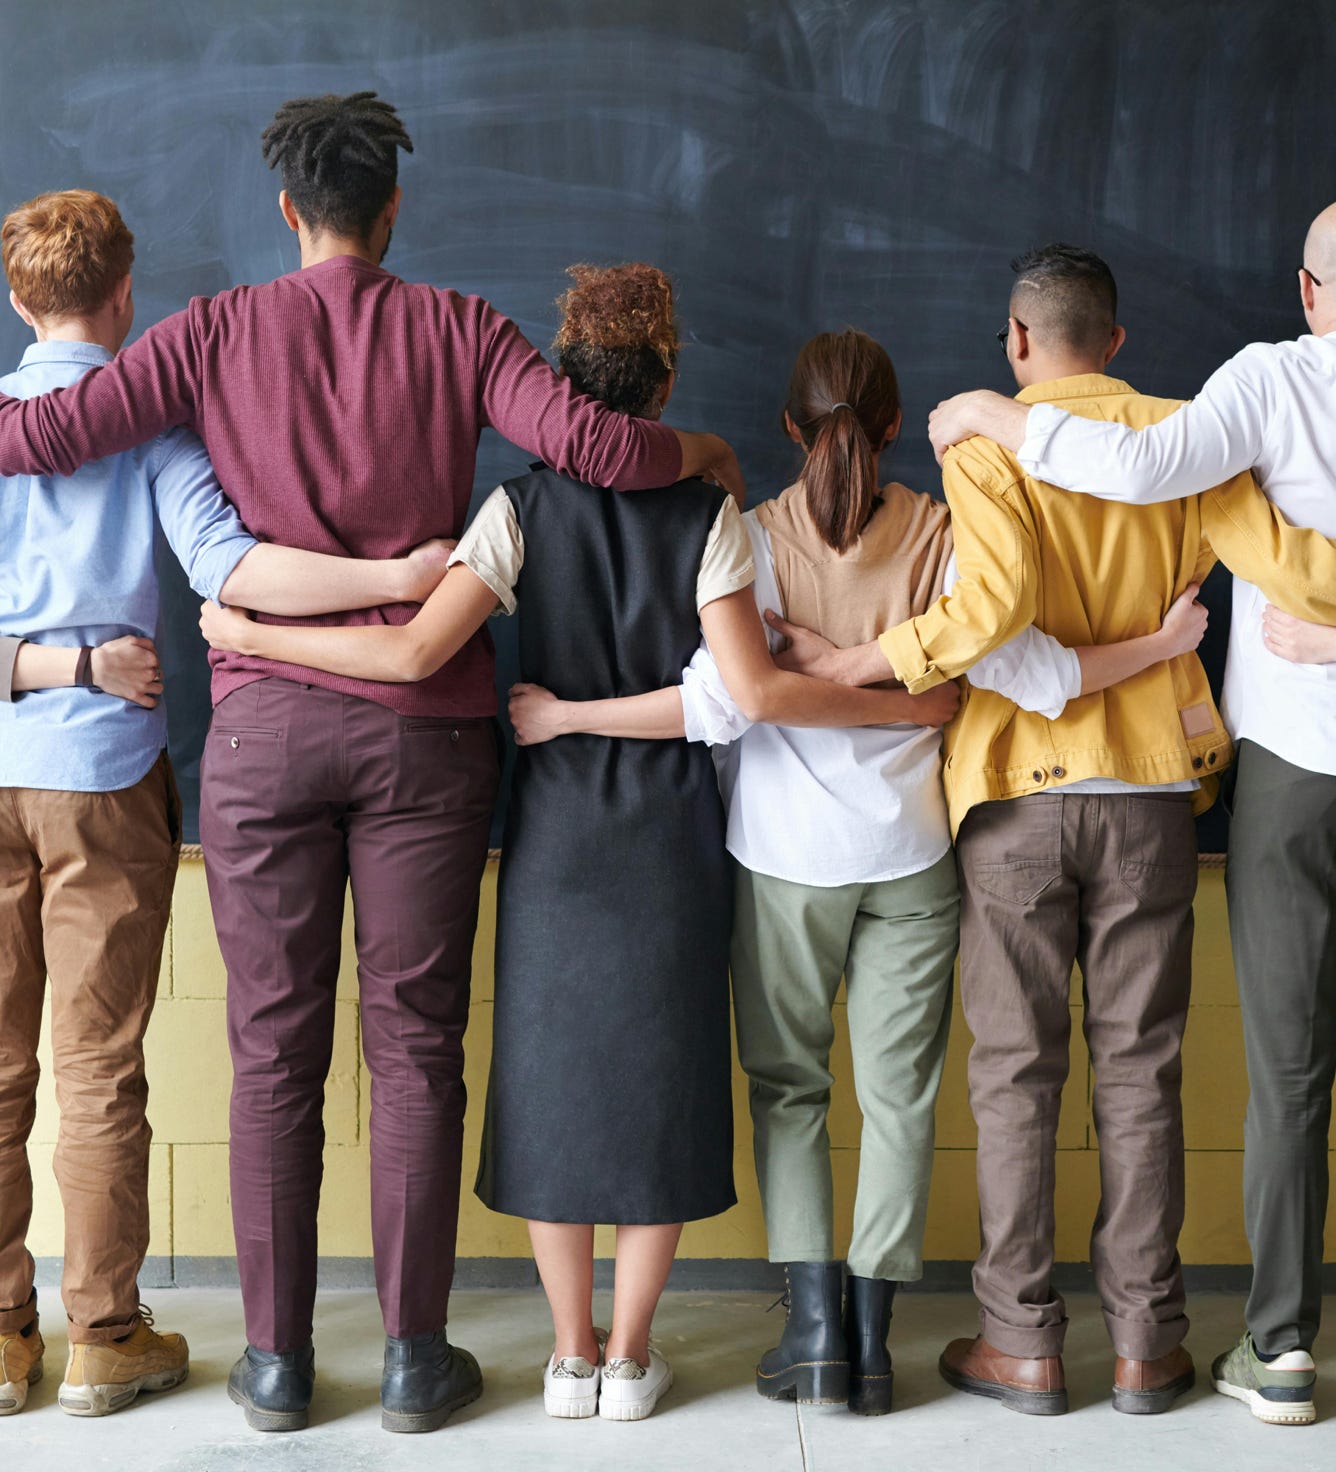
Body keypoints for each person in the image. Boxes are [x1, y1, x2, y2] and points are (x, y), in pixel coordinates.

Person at [0, 93, 747, 1437]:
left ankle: (277, 1368)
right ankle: (414, 1359)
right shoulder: (462, 328)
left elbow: (53, 433)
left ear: (288, 210)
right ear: (391, 211)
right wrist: (698, 451)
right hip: (427, 740)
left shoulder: (212, 331)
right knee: (415, 1049)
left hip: (262, 736)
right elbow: (595, 447)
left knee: (271, 1052)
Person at [198, 265, 958, 1423]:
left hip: (553, 831)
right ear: (663, 381)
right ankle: (630, 1352)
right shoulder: (707, 511)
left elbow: (409, 657)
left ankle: (566, 1353)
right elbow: (742, 688)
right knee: (659, 1080)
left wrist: (251, 630)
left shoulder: (514, 510)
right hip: (668, 829)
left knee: (552, 1081)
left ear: (559, 385)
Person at [771, 243, 1336, 1419]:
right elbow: (1278, 559)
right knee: (1141, 1074)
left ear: (1017, 341)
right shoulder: (1184, 435)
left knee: (1013, 1075)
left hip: (1017, 797)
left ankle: (1021, 1343)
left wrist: (857, 661)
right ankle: (1147, 1345)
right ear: (1118, 342)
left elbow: (983, 616)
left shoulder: (983, 446)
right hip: (1148, 794)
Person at [506, 326, 1213, 1417]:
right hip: (912, 853)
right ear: (894, 427)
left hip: (782, 860)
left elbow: (713, 703)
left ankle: (815, 1332)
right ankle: (875, 1341)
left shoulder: (745, 534)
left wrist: (561, 717)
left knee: (789, 1091)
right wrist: (1151, 650)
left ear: (788, 428)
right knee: (900, 1099)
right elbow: (1027, 670)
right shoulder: (943, 531)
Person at [0, 190, 453, 1418]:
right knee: (97, 1063)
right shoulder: (153, 431)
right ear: (126, 295)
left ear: (15, 297)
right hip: (99, 772)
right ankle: (102, 1335)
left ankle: (2, 1339)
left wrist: (32, 664)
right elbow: (234, 568)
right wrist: (399, 577)